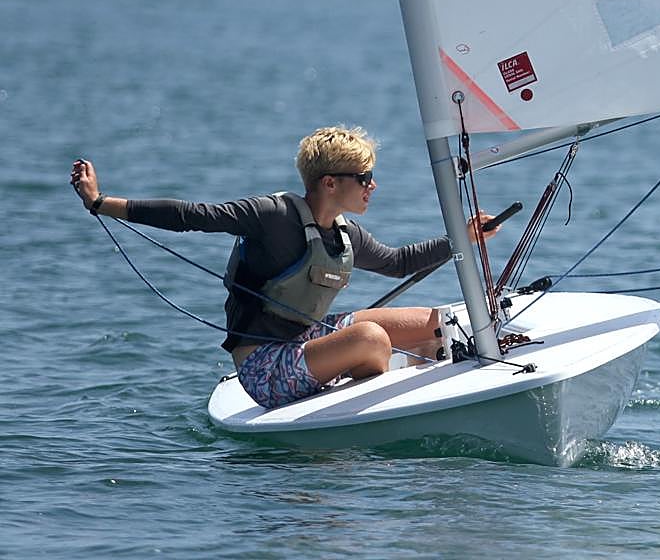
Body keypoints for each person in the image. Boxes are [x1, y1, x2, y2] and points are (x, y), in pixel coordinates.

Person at [70, 125, 498, 410]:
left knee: (431, 322)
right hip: (265, 366)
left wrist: (463, 237)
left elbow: (399, 263)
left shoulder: (346, 235)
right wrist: (100, 203)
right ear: (330, 182)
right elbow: (192, 215)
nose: (373, 185)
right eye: (364, 176)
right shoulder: (270, 216)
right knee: (371, 337)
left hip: (309, 339)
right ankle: (374, 383)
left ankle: (403, 363)